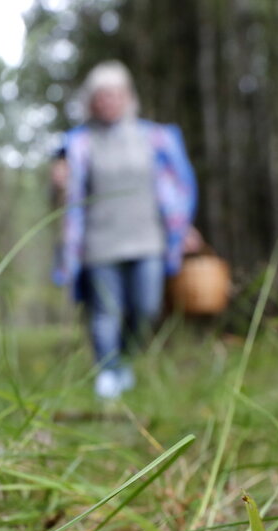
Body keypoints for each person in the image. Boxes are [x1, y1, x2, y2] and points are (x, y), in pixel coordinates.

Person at [54, 61, 198, 399]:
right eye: (101, 96)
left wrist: (185, 228)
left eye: (115, 94)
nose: (108, 102)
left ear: (128, 97)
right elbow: (62, 193)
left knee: (146, 307)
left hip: (148, 239)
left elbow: (176, 189)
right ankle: (107, 371)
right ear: (91, 101)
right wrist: (58, 181)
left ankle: (125, 361)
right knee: (106, 311)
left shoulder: (156, 138)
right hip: (99, 242)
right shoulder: (77, 143)